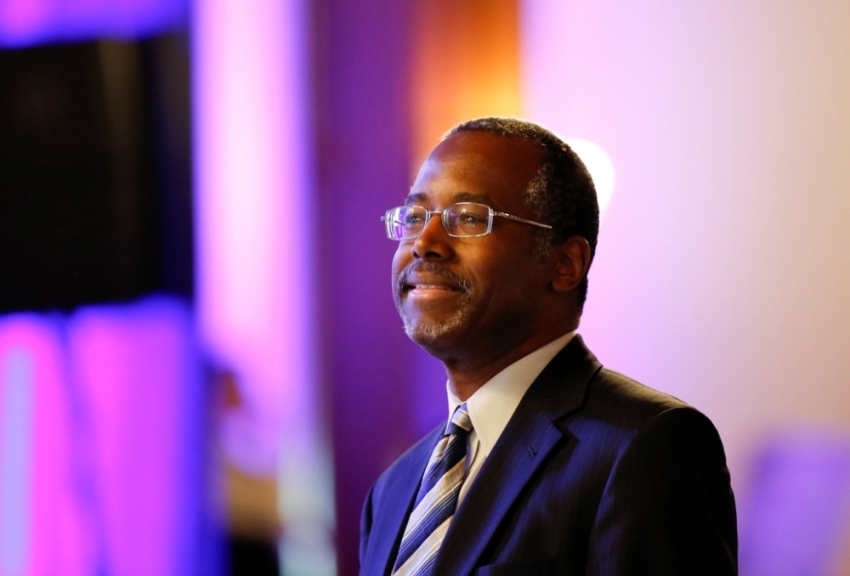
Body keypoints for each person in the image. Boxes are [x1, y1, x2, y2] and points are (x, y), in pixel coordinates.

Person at [359, 117, 737, 575]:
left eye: (470, 218)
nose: (425, 243)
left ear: (565, 263)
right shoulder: (393, 489)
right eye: (416, 217)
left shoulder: (647, 448)